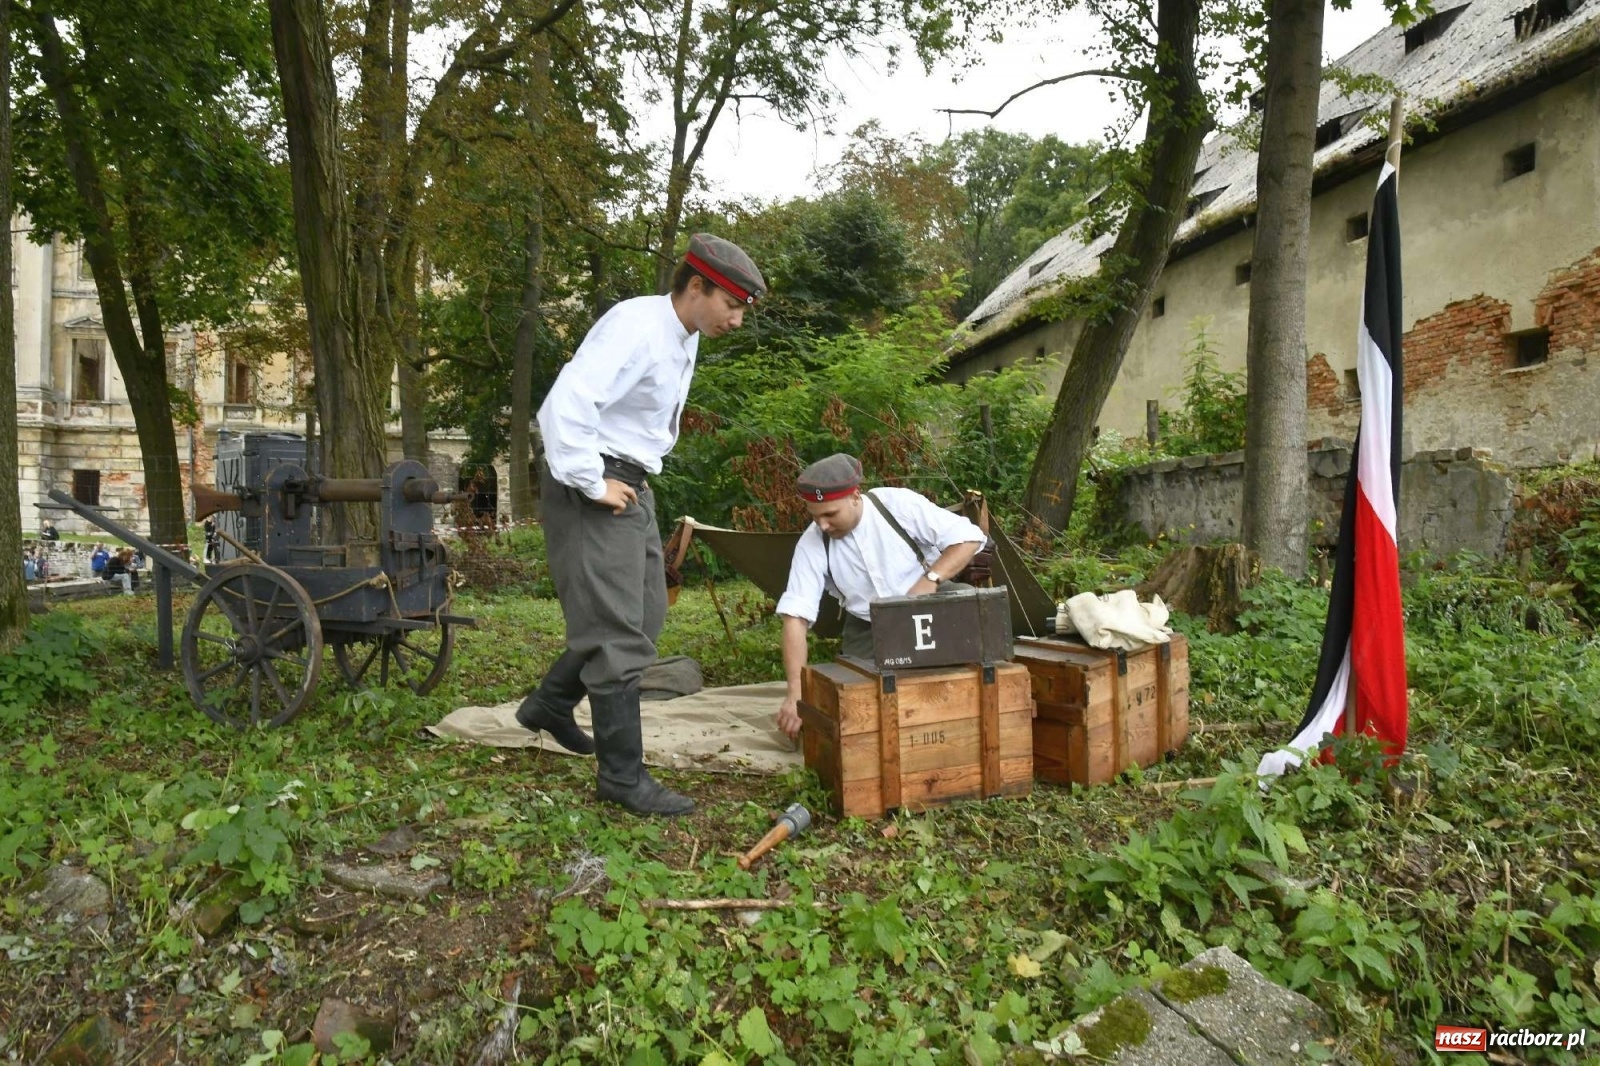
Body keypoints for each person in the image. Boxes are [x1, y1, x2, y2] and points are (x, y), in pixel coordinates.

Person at [514, 234, 765, 817]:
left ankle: (551, 703)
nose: (736, 318)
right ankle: (622, 778)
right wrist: (590, 481)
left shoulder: (684, 337)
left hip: (630, 485)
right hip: (593, 486)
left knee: (647, 612)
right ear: (696, 286)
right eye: (731, 304)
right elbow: (564, 405)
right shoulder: (636, 326)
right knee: (618, 632)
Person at [773, 454, 988, 741]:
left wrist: (930, 580)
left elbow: (968, 538)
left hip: (929, 607)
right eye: (815, 515)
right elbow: (795, 618)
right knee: (854, 714)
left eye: (830, 514)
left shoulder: (898, 505)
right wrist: (795, 695)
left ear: (855, 496)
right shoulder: (812, 543)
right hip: (868, 626)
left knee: (962, 672)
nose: (822, 524)